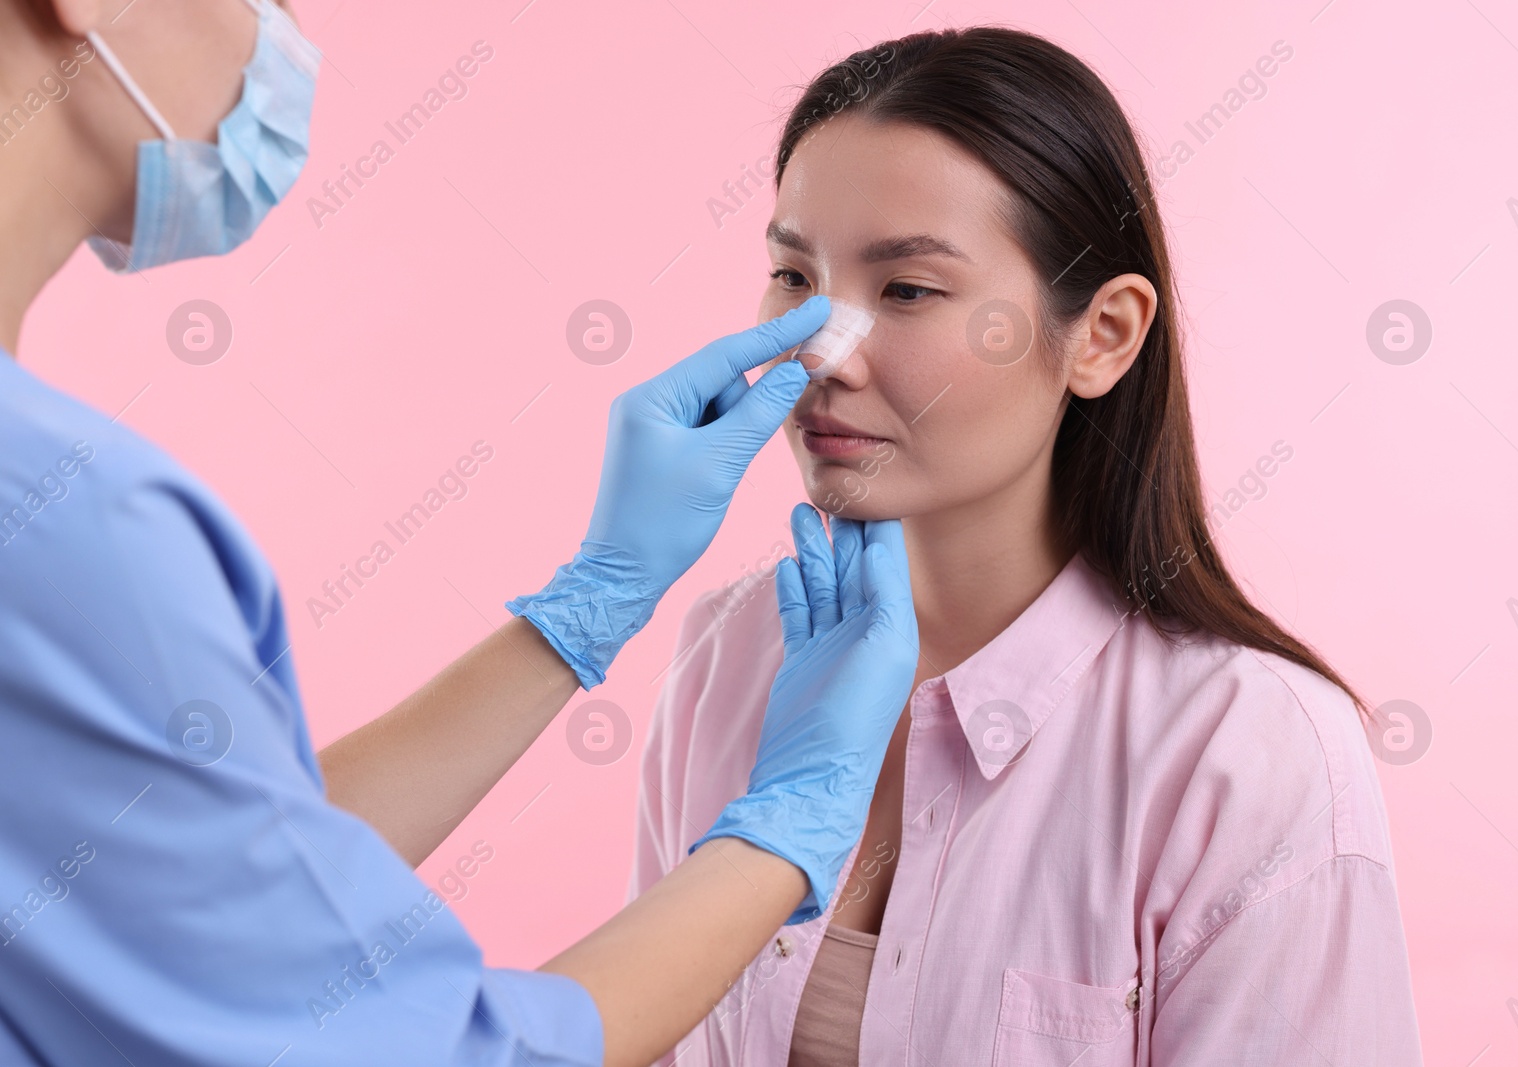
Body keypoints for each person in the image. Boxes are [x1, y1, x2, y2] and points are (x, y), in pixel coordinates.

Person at [0, 2, 924, 1065]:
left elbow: (189, 875)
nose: (281, 39)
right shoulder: (65, 526)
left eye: (907, 288)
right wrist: (789, 828)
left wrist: (585, 608)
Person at [631, 27, 1425, 1067]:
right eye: (792, 274)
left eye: (907, 289)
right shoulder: (727, 652)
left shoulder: (1248, 753)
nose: (820, 348)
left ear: (1101, 334)